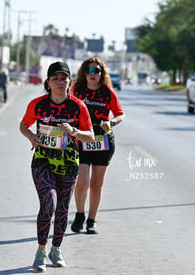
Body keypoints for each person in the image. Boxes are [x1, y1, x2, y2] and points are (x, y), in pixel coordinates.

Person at [19, 61, 94, 272]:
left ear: (70, 82)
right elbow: (23, 125)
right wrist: (32, 136)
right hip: (43, 161)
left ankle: (56, 248)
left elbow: (90, 136)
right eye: (56, 79)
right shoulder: (38, 104)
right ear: (48, 82)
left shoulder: (78, 106)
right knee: (48, 204)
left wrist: (74, 132)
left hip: (69, 162)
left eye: (64, 79)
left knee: (62, 209)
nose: (60, 82)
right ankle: (41, 251)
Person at [71, 57, 125, 234]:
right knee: (82, 182)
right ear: (84, 73)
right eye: (89, 71)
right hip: (82, 140)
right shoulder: (77, 90)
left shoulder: (107, 92)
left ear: (102, 74)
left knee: (97, 183)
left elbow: (119, 114)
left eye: (97, 71)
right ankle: (80, 213)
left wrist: (111, 123)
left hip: (103, 141)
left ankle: (91, 220)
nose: (93, 74)